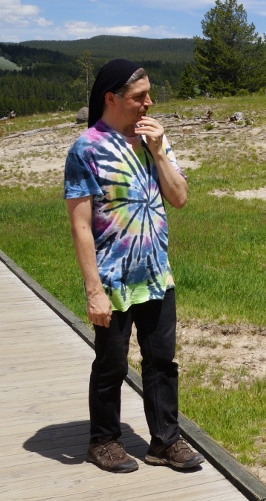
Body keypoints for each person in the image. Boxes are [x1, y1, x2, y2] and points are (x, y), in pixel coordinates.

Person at [64, 59, 203, 473]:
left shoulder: (153, 139)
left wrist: (159, 151)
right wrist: (93, 291)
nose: (149, 103)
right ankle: (103, 441)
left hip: (157, 275)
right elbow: (81, 225)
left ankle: (165, 442)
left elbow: (178, 197)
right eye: (139, 96)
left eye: (149, 94)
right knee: (112, 364)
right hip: (114, 279)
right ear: (111, 98)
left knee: (162, 362)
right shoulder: (86, 148)